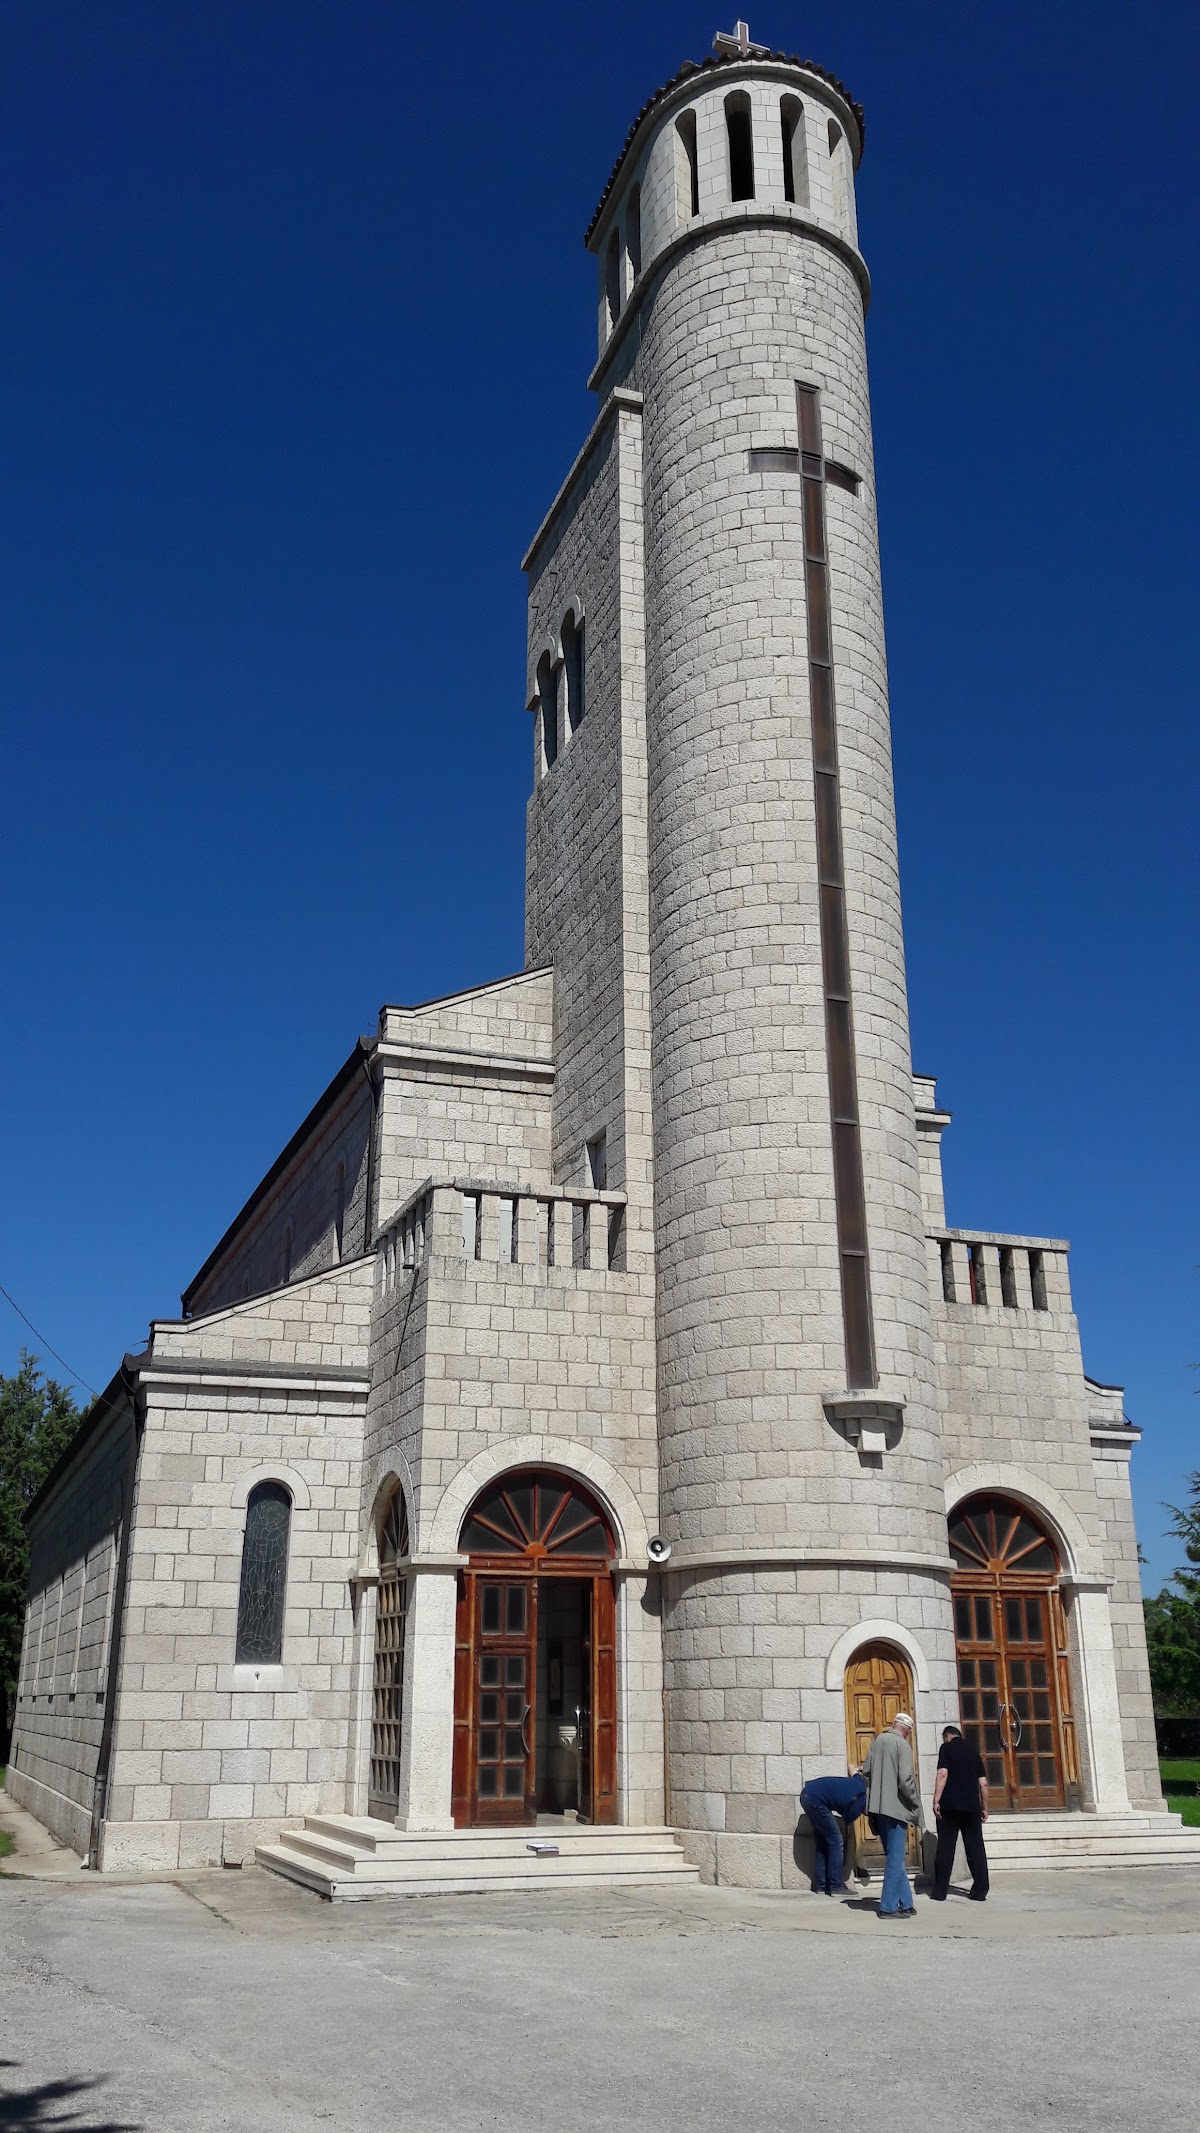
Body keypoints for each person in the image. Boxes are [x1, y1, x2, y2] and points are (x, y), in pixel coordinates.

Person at [858, 1712, 924, 1918]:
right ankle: (887, 1906)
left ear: (894, 1724)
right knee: (895, 1860)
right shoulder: (902, 1746)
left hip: (878, 1809)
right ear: (908, 1730)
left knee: (895, 1858)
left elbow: (866, 1772)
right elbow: (905, 1780)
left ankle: (906, 1903)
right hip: (895, 1810)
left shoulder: (877, 1741)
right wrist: (914, 1800)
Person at [930, 1723, 989, 1901]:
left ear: (947, 1736)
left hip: (949, 1806)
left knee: (946, 1848)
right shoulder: (973, 1751)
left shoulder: (946, 1748)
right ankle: (980, 1890)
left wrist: (936, 1800)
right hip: (971, 1807)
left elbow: (942, 1774)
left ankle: (940, 1891)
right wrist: (984, 1807)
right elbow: (983, 1783)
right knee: (976, 1848)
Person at [799, 1770, 868, 1895]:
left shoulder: (860, 1782)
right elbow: (846, 1824)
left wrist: (861, 1768)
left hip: (807, 1794)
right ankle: (836, 1887)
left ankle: (821, 1885)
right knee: (837, 1841)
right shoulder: (859, 1805)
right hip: (815, 1800)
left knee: (824, 1840)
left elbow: (851, 1766)